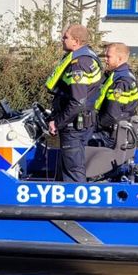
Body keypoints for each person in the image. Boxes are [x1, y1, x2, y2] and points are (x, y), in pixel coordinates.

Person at [45, 24, 103, 182]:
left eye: (65, 37)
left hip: (74, 127)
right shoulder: (89, 56)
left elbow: (78, 101)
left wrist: (57, 123)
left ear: (76, 41)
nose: (62, 39)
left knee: (73, 172)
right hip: (82, 123)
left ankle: (76, 206)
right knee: (66, 168)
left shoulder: (79, 64)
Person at [93, 42, 138, 147]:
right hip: (114, 131)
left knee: (75, 140)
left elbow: (112, 115)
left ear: (119, 59)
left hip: (110, 135)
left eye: (108, 56)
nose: (105, 59)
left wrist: (91, 125)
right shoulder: (122, 74)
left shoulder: (121, 82)